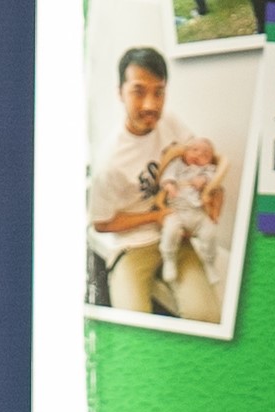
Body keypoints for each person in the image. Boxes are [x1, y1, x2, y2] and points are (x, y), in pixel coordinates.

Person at [88, 47, 222, 322]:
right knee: (133, 324)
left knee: (206, 315)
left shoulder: (170, 121)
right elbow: (101, 223)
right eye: (138, 91)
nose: (150, 104)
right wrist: (157, 216)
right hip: (133, 246)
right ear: (120, 93)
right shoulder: (109, 162)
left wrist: (213, 192)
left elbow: (197, 156)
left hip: (178, 233)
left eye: (158, 92)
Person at [156, 138, 230, 287]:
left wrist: (204, 179)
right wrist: (169, 185)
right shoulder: (177, 164)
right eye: (194, 150)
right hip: (176, 210)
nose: (198, 155)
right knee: (170, 231)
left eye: (205, 154)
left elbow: (214, 179)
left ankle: (209, 262)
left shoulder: (207, 169)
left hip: (197, 211)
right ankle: (169, 258)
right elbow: (166, 176)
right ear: (185, 152)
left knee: (209, 234)